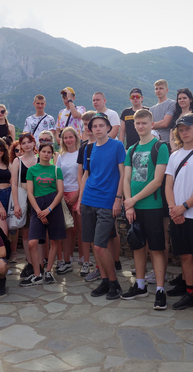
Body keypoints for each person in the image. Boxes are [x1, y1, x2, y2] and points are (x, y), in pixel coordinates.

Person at [121, 109, 170, 308]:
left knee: (156, 249)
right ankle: (140, 285)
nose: (141, 126)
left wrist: (132, 200)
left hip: (153, 206)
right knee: (137, 246)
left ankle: (160, 289)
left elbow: (157, 181)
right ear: (134, 125)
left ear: (151, 124)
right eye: (138, 123)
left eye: (144, 123)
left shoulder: (160, 147)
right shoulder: (131, 149)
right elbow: (126, 178)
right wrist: (129, 203)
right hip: (133, 207)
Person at [164, 114, 193, 317]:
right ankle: (190, 292)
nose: (184, 132)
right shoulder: (174, 155)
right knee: (185, 256)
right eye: (181, 130)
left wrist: (183, 207)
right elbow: (168, 185)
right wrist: (173, 209)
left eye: (188, 129)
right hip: (177, 214)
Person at [77, 113, 126, 298]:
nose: (97, 129)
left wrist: (118, 198)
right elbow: (86, 175)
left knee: (99, 245)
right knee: (92, 243)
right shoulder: (88, 148)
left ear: (108, 127)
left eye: (101, 125)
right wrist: (80, 199)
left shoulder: (117, 145)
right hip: (88, 200)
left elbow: (123, 174)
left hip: (107, 202)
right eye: (94, 126)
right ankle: (105, 281)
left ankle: (114, 283)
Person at [19, 142, 65, 286]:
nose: (46, 154)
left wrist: (49, 209)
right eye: (44, 151)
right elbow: (30, 193)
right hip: (37, 206)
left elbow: (60, 192)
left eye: (49, 152)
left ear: (52, 154)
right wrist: (39, 212)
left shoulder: (56, 170)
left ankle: (49, 271)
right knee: (32, 242)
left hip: (53, 206)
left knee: (54, 241)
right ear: (39, 152)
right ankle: (37, 274)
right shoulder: (32, 170)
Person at [10, 133, 38, 276]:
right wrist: (16, 204)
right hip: (23, 198)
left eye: (29, 142)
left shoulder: (40, 159)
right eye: (23, 143)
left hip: (39, 198)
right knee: (25, 233)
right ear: (20, 145)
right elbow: (14, 184)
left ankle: (40, 262)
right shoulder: (17, 161)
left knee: (40, 232)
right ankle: (30, 262)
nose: (27, 145)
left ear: (34, 143)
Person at [56, 127, 81, 275]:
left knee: (79, 229)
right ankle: (67, 259)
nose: (68, 140)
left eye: (71, 137)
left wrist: (77, 194)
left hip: (77, 193)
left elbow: (84, 175)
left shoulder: (80, 153)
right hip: (63, 194)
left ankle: (83, 260)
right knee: (67, 229)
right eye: (65, 138)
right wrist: (62, 195)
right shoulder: (61, 156)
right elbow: (58, 176)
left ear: (76, 138)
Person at [76, 111, 97, 278]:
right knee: (86, 232)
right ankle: (87, 263)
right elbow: (82, 174)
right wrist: (80, 198)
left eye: (91, 124)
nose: (88, 127)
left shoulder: (106, 144)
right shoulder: (83, 147)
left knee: (102, 235)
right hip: (87, 195)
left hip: (102, 196)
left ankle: (104, 265)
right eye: (85, 124)